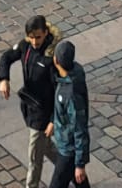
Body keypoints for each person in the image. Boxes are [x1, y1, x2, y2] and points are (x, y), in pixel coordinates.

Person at [0, 15, 61, 188]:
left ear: (46, 33)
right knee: (46, 147)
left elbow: (59, 92)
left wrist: (52, 120)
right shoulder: (25, 46)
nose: (34, 42)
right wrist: (4, 79)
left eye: (38, 37)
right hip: (29, 106)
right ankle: (67, 168)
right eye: (31, 37)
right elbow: (6, 58)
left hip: (43, 113)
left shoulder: (52, 57)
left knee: (34, 156)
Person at [47, 42, 90, 188]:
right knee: (80, 181)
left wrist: (80, 164)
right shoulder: (75, 72)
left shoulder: (70, 94)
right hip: (66, 145)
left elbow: (79, 129)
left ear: (56, 61)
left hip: (68, 151)